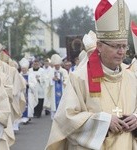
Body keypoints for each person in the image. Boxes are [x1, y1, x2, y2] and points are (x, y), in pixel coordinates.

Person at [45, 0, 137, 149]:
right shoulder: (79, 78)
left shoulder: (132, 77)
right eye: (115, 46)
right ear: (99, 46)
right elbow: (66, 119)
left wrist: (136, 119)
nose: (121, 52)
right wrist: (104, 122)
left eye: (124, 46)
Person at [48, 54, 69, 120]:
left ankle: (62, 116)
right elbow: (47, 80)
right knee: (54, 104)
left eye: (58, 65)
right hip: (53, 90)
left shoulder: (64, 71)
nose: (57, 66)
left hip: (62, 89)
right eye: (55, 65)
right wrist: (52, 79)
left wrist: (61, 79)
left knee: (62, 103)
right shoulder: (51, 71)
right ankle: (53, 117)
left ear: (60, 64)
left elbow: (67, 80)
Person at [19, 57, 37, 123]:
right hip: (21, 93)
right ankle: (23, 117)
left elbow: (35, 84)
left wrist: (28, 84)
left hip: (29, 92)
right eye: (22, 68)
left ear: (27, 68)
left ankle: (26, 117)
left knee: (28, 105)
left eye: (24, 68)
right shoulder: (19, 75)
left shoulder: (31, 75)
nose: (23, 70)